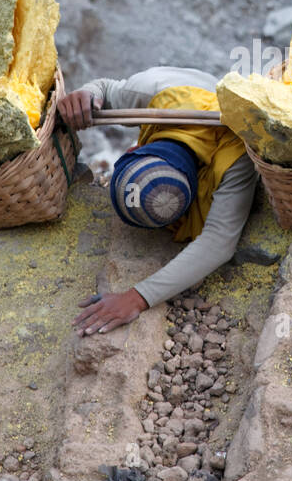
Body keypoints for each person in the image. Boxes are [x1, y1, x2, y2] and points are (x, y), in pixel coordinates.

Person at [58, 66, 257, 337]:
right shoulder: (145, 95)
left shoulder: (238, 150)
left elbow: (219, 243)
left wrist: (137, 298)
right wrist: (86, 94)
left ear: (134, 149)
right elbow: (103, 88)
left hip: (198, 88)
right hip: (180, 92)